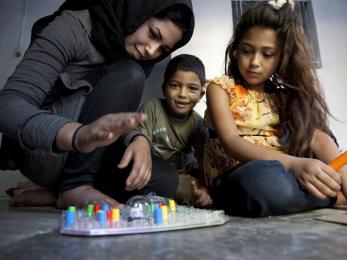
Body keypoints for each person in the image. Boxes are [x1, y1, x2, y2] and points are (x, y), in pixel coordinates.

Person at [0, 0, 195, 209]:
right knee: (130, 74)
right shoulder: (72, 28)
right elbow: (8, 105)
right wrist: (76, 135)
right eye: (153, 34)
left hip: (86, 156)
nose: (151, 51)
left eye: (163, 48)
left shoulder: (129, 51)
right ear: (136, 10)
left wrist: (137, 138)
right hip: (42, 149)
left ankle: (59, 193)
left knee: (163, 179)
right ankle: (75, 186)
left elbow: (105, 116)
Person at [199, 0, 347, 217]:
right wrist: (296, 165)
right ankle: (331, 196)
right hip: (236, 176)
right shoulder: (220, 88)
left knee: (299, 165)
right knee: (262, 180)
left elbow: (316, 138)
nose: (255, 62)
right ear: (236, 49)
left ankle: (327, 188)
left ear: (281, 58)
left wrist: (340, 171)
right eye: (246, 50)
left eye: (267, 54)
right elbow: (231, 142)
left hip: (284, 170)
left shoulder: (283, 96)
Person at [96, 54, 210, 206]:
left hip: (175, 176)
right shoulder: (153, 108)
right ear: (164, 89)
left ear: (201, 94)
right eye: (175, 85)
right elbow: (137, 137)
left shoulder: (198, 124)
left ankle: (161, 199)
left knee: (195, 187)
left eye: (192, 89)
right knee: (162, 178)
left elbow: (202, 162)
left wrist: (204, 188)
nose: (182, 94)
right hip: (149, 170)